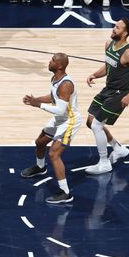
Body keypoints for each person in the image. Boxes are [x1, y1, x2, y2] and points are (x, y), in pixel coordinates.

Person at [84, 18, 129, 175]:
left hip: (120, 94)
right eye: (114, 26)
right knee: (90, 121)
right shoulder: (109, 44)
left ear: (125, 33)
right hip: (108, 89)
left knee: (96, 126)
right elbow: (108, 66)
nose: (113, 29)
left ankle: (104, 163)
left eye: (117, 28)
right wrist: (94, 74)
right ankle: (117, 148)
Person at [19, 53, 82, 204]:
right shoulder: (55, 79)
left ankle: (65, 193)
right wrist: (36, 99)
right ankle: (41, 167)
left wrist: (38, 105)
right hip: (60, 119)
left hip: (70, 121)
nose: (49, 62)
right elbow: (54, 97)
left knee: (54, 154)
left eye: (52, 60)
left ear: (59, 66)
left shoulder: (66, 84)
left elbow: (60, 110)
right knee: (40, 142)